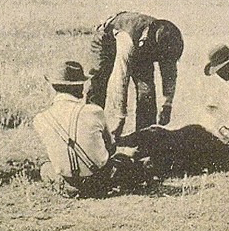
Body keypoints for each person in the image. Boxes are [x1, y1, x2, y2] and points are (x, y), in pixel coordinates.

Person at [32, 60, 146, 197]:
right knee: (123, 160)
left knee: (45, 166)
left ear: (54, 87)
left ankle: (67, 187)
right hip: (98, 180)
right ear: (79, 87)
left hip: (68, 182)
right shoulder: (94, 111)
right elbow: (111, 148)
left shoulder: (40, 119)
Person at [86, 12, 184, 139]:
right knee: (99, 81)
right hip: (108, 41)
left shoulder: (168, 39)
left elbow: (170, 74)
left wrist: (167, 104)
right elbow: (121, 78)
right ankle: (89, 128)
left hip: (141, 45)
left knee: (147, 90)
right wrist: (120, 117)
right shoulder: (128, 40)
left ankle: (145, 138)